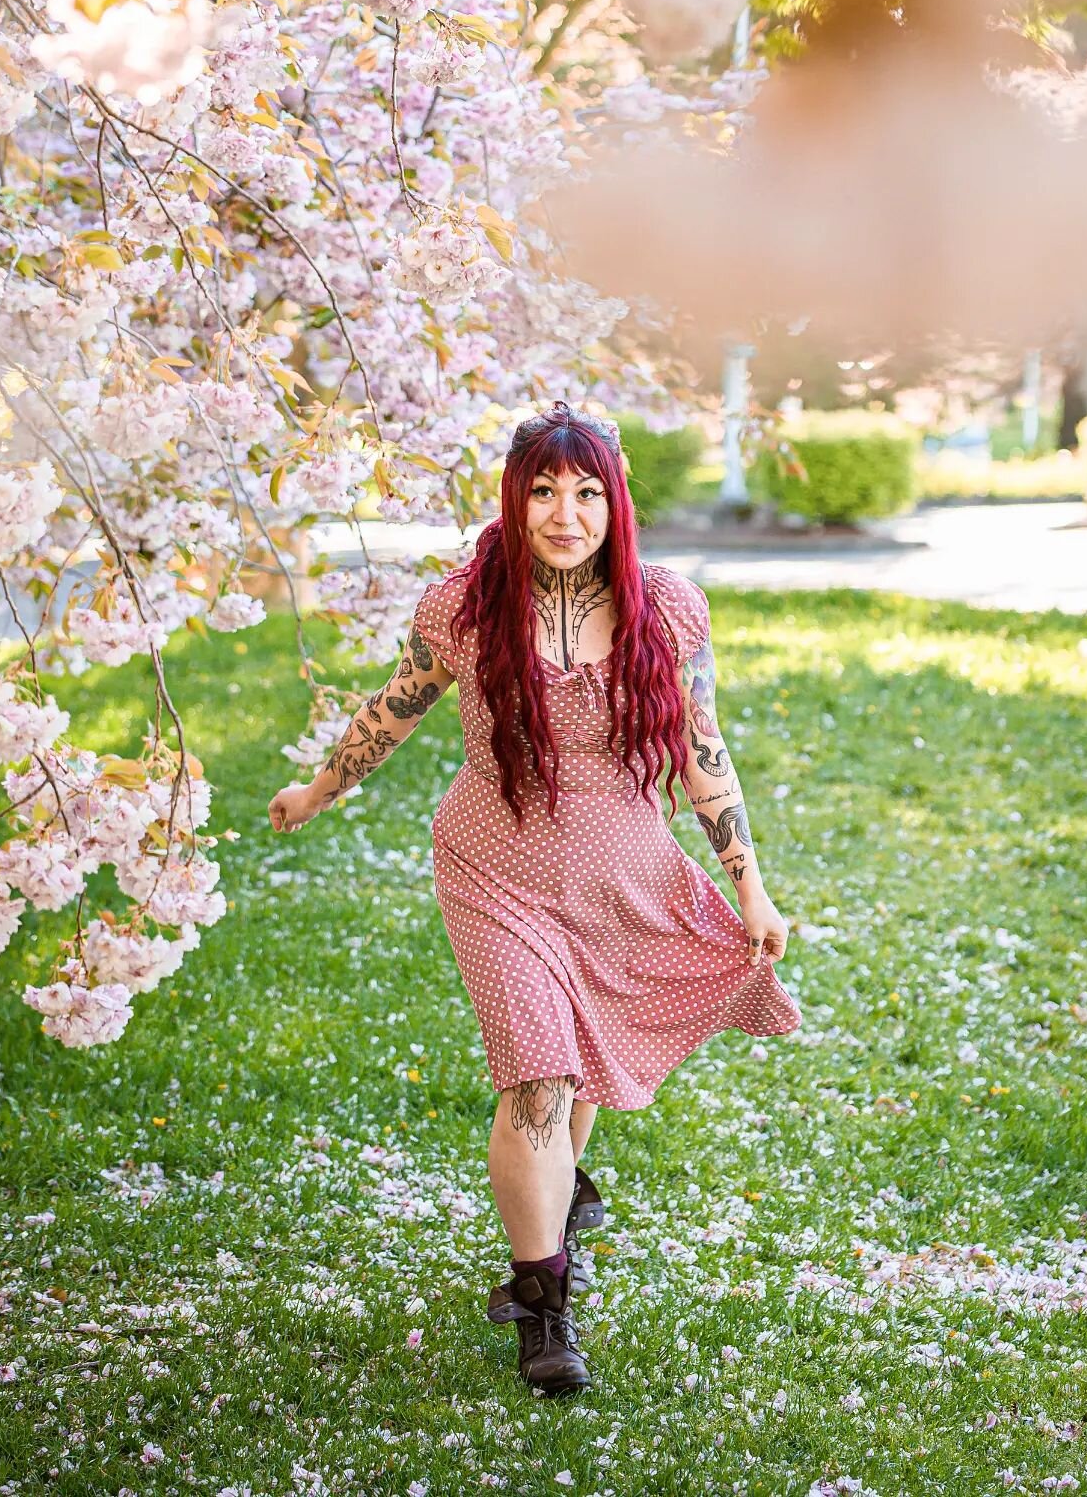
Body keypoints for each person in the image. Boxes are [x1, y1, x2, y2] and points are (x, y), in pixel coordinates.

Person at [268, 401, 801, 1397]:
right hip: (495, 871)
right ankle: (542, 1307)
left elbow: (704, 754)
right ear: (516, 502)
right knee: (540, 1084)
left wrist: (751, 887)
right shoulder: (465, 611)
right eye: (546, 491)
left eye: (589, 492)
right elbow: (393, 708)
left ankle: (557, 1208)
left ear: (617, 504)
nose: (567, 512)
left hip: (624, 877)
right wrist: (318, 788)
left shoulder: (669, 609)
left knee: (584, 1060)